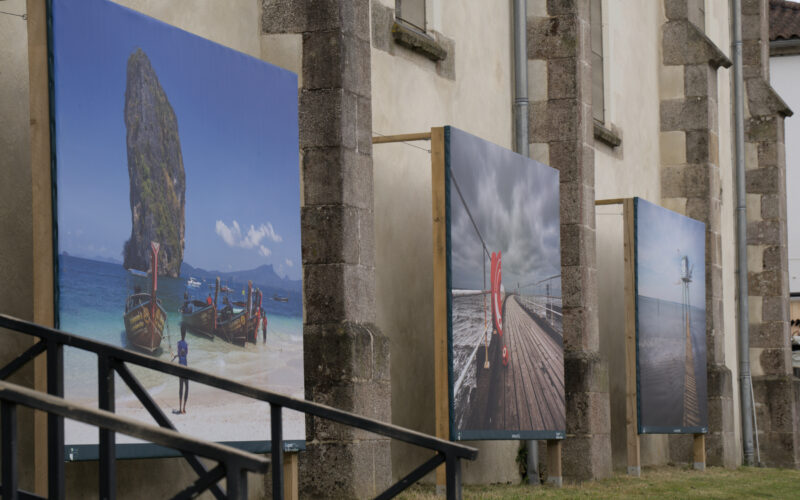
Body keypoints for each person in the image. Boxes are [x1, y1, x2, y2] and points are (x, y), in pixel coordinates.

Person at [172, 330, 189, 414]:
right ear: (185, 334)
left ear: (181, 334)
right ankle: (184, 408)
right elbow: (185, 354)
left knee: (181, 388)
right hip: (185, 368)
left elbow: (180, 353)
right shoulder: (186, 344)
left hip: (180, 369)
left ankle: (179, 408)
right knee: (187, 388)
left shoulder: (178, 343)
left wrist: (176, 355)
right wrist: (178, 355)